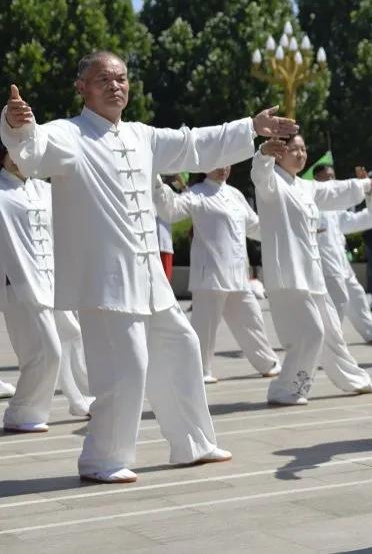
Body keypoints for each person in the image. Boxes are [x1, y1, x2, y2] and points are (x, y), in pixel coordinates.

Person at [1, 52, 297, 483]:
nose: (115, 86)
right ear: (81, 87)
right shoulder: (68, 134)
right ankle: (102, 458)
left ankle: (192, 443)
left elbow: (193, 144)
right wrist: (16, 124)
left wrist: (249, 128)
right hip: (103, 282)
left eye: (121, 78)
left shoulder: (141, 135)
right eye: (103, 79)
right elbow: (32, 149)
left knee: (182, 348)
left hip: (149, 280)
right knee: (126, 369)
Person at [251, 135, 372, 405]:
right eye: (294, 149)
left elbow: (333, 192)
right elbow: (259, 170)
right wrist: (264, 152)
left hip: (312, 274)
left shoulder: (305, 187)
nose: (301, 154)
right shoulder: (270, 183)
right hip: (289, 274)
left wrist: (366, 184)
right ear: (280, 153)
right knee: (312, 332)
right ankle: (284, 389)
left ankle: (354, 379)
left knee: (332, 333)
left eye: (303, 149)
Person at [152, 167, 282, 383]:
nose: (223, 168)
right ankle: (198, 371)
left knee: (253, 321)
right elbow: (171, 210)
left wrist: (281, 229)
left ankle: (268, 363)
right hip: (210, 276)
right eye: (217, 163)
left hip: (238, 276)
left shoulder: (235, 194)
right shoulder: (197, 193)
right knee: (205, 329)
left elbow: (255, 226)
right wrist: (157, 183)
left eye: (227, 163)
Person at [0, 141, 93, 432]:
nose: (18, 158)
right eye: (10, 152)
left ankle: (83, 398)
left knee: (73, 336)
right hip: (20, 284)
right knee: (45, 350)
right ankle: (22, 411)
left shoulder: (45, 189)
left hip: (54, 280)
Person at [313, 164, 372, 346]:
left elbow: (358, 220)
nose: (331, 180)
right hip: (323, 263)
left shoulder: (335, 208)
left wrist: (369, 192)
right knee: (337, 301)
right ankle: (330, 339)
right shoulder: (310, 205)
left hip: (340, 260)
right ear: (316, 180)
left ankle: (371, 331)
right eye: (327, 177)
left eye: (333, 176)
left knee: (356, 294)